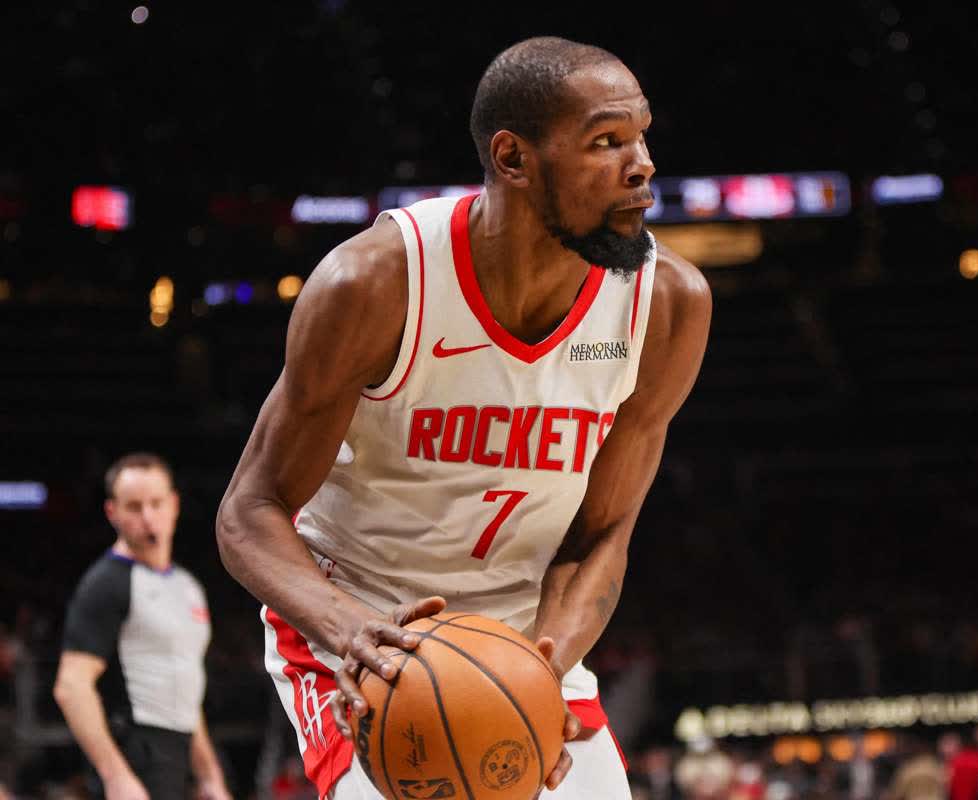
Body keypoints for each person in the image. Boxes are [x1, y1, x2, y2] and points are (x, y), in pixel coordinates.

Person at [217, 35, 711, 799]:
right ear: (514, 159)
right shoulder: (375, 285)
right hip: (363, 631)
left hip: (523, 637)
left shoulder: (670, 306)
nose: (641, 163)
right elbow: (249, 513)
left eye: (641, 135)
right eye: (607, 141)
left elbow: (599, 539)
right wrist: (353, 635)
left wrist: (536, 676)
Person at [53, 453, 231, 800]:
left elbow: (184, 687)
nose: (148, 517)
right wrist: (115, 775)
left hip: (177, 751)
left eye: (156, 503)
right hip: (135, 747)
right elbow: (71, 686)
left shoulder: (188, 587)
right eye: (134, 507)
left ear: (174, 505)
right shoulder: (105, 583)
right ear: (112, 512)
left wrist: (209, 774)